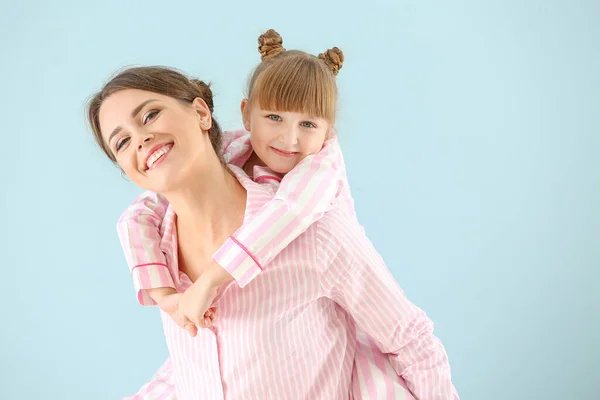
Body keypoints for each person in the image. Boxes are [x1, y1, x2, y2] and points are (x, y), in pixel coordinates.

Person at [88, 31, 458, 400]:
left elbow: (412, 343)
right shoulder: (158, 246)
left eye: (150, 115)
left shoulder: (316, 230)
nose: (140, 138)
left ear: (201, 113)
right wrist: (165, 295)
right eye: (121, 142)